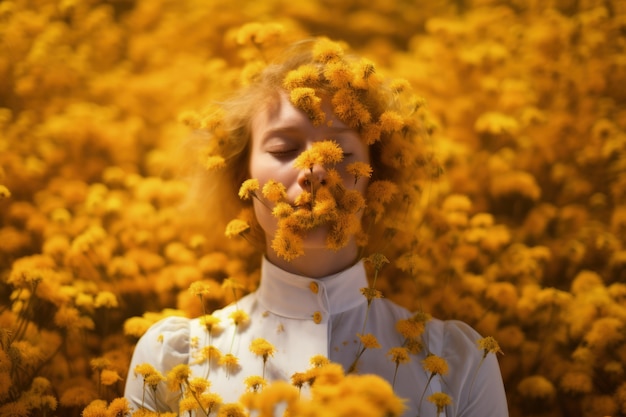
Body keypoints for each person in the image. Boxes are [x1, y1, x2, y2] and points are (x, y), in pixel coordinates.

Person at [124, 37, 509, 417]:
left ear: (378, 179)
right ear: (241, 176)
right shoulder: (172, 361)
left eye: (341, 152)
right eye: (283, 149)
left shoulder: (458, 363)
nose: (315, 171)